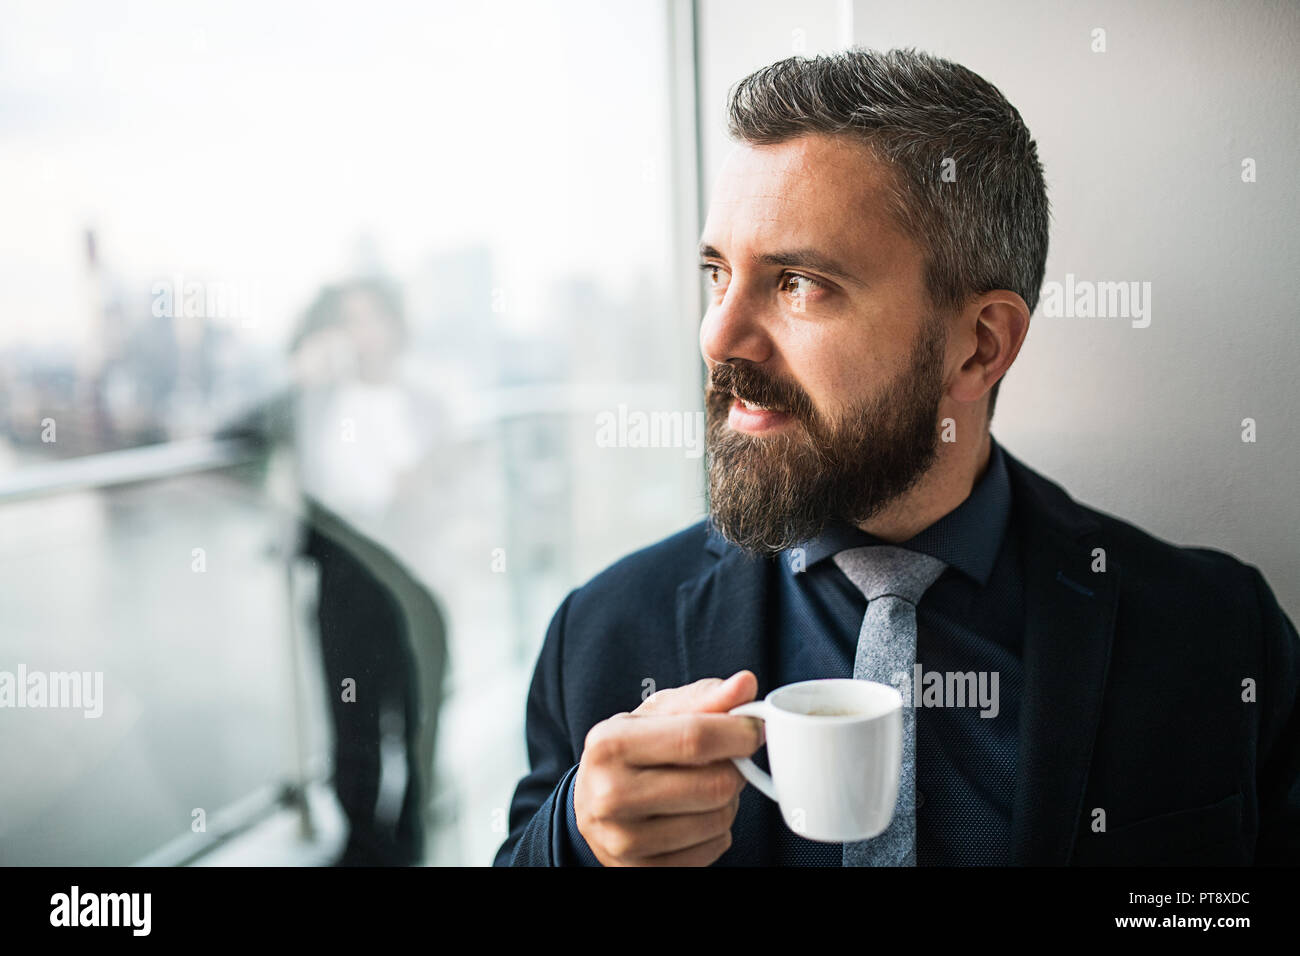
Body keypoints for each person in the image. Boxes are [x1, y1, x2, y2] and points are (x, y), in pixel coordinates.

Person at [494, 48, 1299, 866]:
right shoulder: (600, 637)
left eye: (800, 282)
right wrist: (576, 841)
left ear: (980, 348)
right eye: (717, 273)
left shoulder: (1219, 638)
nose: (718, 336)